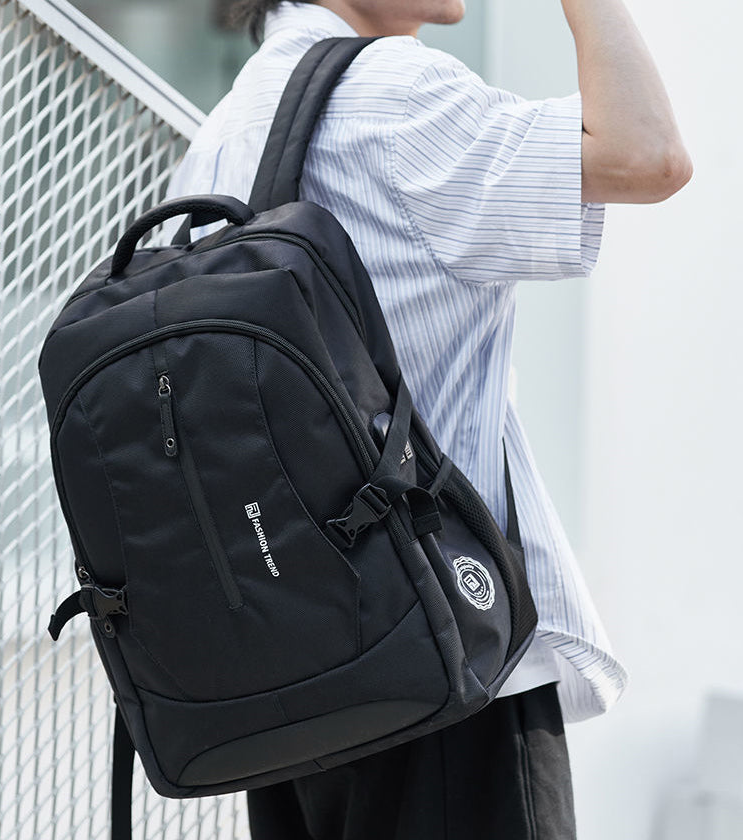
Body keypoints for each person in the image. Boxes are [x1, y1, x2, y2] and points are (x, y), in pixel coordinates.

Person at [164, 1, 692, 837]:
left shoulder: (226, 129)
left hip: (295, 694)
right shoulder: (395, 94)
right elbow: (648, 154)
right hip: (446, 667)